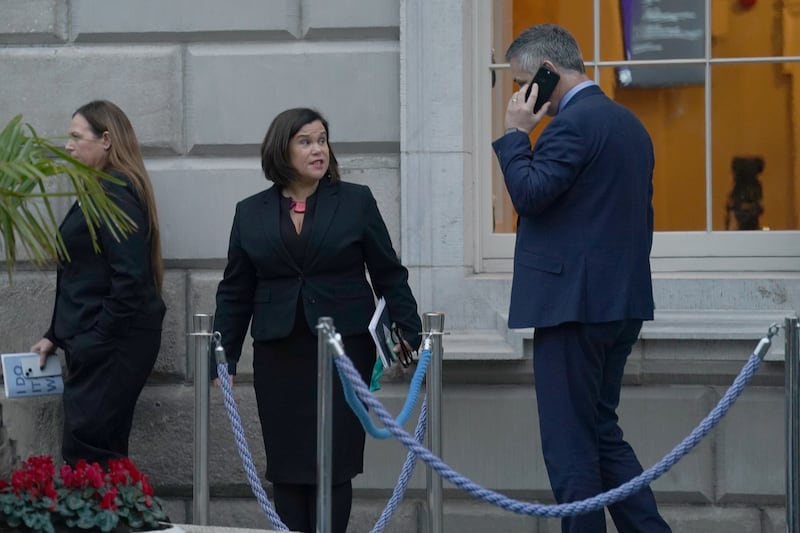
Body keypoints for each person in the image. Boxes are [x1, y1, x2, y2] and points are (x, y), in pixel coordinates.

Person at [492, 25, 671, 533]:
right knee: (599, 432)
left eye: (522, 82)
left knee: (570, 445)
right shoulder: (627, 123)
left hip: (574, 307)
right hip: (620, 303)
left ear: (547, 75)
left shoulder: (571, 125)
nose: (519, 95)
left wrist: (513, 133)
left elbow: (529, 194)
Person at [212, 107, 421, 533]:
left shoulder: (356, 201)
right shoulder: (249, 212)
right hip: (279, 352)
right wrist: (223, 359)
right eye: (306, 141)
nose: (317, 149)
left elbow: (387, 272)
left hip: (345, 351)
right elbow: (235, 290)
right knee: (287, 464)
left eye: (322, 140)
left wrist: (408, 328)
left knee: (334, 459)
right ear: (281, 150)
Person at [30, 100, 166, 467]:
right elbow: (85, 274)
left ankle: (109, 522)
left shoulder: (115, 191)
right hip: (105, 342)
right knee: (96, 451)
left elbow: (130, 279)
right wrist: (55, 335)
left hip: (112, 346)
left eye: (76, 137)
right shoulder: (102, 189)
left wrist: (94, 341)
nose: (68, 146)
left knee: (89, 454)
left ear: (106, 140)